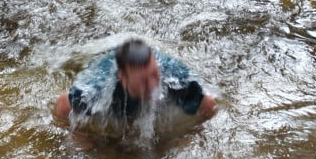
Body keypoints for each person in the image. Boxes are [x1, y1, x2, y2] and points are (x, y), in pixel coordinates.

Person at [53, 38, 217, 128]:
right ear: (123, 79)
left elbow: (209, 104)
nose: (153, 84)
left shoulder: (175, 78)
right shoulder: (99, 86)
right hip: (101, 52)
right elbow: (62, 104)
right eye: (144, 81)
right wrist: (79, 135)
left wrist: (190, 134)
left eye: (154, 74)